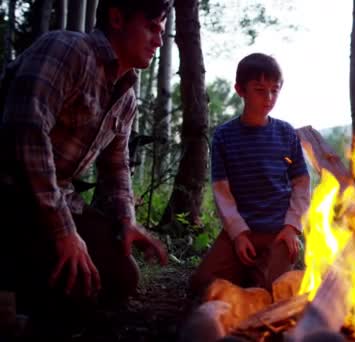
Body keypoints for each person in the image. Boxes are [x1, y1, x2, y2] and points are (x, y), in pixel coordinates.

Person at [0, 0, 170, 333]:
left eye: (162, 32)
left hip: (54, 198)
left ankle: (28, 297)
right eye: (152, 28)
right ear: (117, 17)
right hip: (8, 192)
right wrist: (65, 233)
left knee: (120, 276)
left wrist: (127, 220)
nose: (159, 41)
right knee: (73, 292)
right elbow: (25, 131)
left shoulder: (126, 94)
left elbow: (116, 165)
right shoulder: (68, 50)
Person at [190, 53, 310, 295]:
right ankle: (244, 272)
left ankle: (255, 277)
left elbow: (301, 183)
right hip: (242, 231)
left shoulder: (286, 133)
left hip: (279, 232)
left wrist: (292, 227)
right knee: (202, 285)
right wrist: (238, 234)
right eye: (259, 89)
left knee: (273, 291)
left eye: (274, 90)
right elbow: (222, 191)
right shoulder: (225, 136)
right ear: (240, 89)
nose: (268, 98)